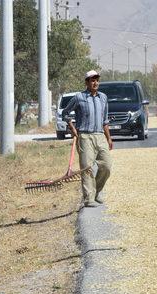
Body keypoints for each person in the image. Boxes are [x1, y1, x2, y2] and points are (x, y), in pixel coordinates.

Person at [63, 70, 113, 208]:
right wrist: (72, 126)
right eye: (92, 80)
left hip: (99, 135)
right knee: (87, 168)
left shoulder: (103, 97)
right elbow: (65, 113)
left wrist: (109, 138)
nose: (95, 82)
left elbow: (105, 120)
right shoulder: (79, 97)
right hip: (84, 136)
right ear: (86, 82)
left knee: (107, 165)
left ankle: (96, 191)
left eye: (97, 80)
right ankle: (88, 198)